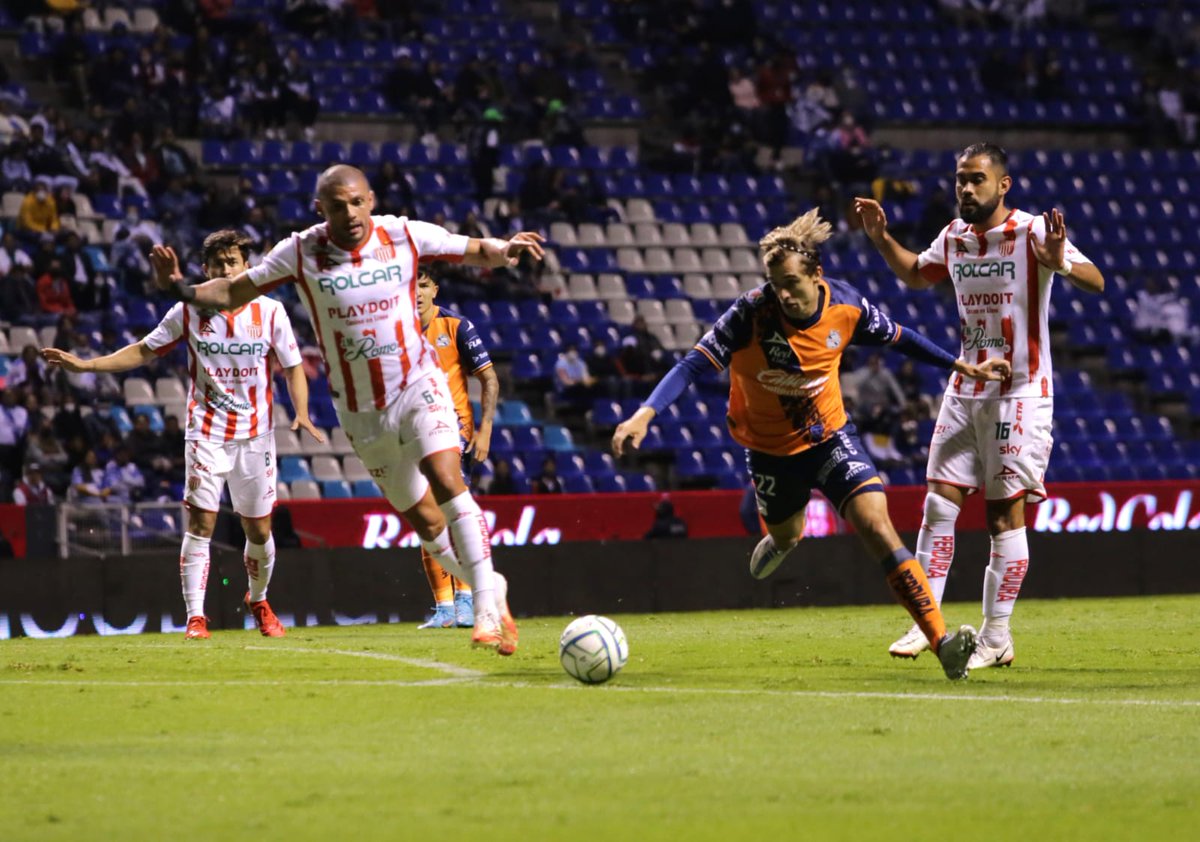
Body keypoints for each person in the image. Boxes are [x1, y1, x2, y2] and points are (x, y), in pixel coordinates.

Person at [147, 164, 545, 655]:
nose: (350, 213)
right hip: (361, 412)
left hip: (419, 384)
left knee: (446, 477)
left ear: (371, 200)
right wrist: (179, 289)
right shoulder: (301, 250)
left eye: (357, 202)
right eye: (338, 205)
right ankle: (492, 585)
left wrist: (506, 252)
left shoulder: (402, 234)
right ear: (322, 209)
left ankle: (484, 609)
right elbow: (232, 290)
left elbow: (472, 249)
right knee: (425, 522)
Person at [612, 208, 1011, 680]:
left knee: (877, 526)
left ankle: (941, 641)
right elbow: (691, 365)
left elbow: (901, 337)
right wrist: (645, 412)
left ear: (816, 276)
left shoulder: (846, 305)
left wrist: (960, 365)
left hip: (830, 438)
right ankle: (781, 540)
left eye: (790, 283)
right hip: (770, 451)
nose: (781, 293)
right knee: (788, 534)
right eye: (774, 282)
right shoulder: (751, 313)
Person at [854, 142, 1104, 670]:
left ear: (1002, 184)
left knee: (1001, 518)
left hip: (1020, 392)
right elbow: (916, 275)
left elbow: (1096, 279)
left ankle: (997, 636)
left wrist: (1061, 262)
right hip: (965, 388)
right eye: (960, 180)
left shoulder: (1032, 231)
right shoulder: (954, 236)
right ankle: (929, 623)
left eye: (976, 179)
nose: (966, 188)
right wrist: (881, 239)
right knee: (938, 504)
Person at [43, 229, 321, 641]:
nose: (225, 270)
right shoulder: (188, 311)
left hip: (256, 436)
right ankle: (196, 617)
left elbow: (293, 366)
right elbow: (142, 350)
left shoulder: (272, 312)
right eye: (217, 264)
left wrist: (301, 410)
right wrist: (88, 366)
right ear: (204, 270)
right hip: (206, 432)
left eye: (232, 262)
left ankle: (258, 600)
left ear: (247, 267)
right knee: (202, 523)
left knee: (260, 530)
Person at [413, 272, 500, 630]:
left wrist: (485, 431)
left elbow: (489, 378)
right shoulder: (393, 329)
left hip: (453, 431)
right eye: (409, 284)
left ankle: (466, 599)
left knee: (452, 512)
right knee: (426, 520)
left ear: (435, 288)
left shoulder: (457, 326)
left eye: (423, 285)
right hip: (411, 433)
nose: (416, 292)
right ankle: (445, 606)